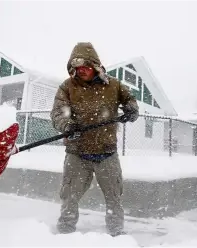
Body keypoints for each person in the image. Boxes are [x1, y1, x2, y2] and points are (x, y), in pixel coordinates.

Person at [50, 42, 139, 236]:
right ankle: (65, 232)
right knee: (69, 197)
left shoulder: (113, 85)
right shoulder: (67, 87)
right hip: (77, 153)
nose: (81, 71)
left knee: (114, 197)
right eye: (77, 68)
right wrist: (68, 126)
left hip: (107, 153)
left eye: (85, 67)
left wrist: (131, 109)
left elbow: (130, 100)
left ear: (95, 66)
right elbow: (58, 113)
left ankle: (116, 234)